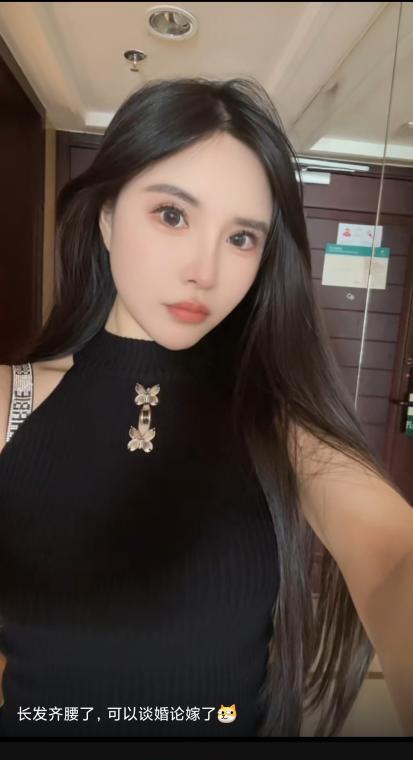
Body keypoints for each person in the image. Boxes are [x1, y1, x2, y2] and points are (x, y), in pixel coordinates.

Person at [0, 76, 412, 738]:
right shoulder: (11, 402)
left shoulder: (276, 420)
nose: (205, 270)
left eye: (241, 238)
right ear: (106, 217)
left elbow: (392, 553)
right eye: (172, 215)